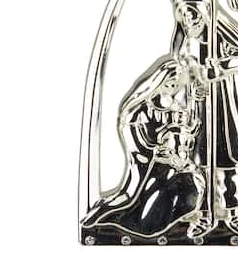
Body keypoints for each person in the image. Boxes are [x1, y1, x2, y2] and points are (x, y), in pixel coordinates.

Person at [170, 0, 238, 238]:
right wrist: (191, 84)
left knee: (227, 161)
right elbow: (179, 70)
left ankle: (232, 212)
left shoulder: (219, 31)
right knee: (199, 163)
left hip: (225, 105)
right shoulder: (185, 40)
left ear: (202, 10)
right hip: (198, 107)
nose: (188, 20)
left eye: (191, 13)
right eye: (182, 14)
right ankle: (203, 214)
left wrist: (220, 68)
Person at [81, 55, 205, 238]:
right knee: (130, 197)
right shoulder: (138, 111)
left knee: (191, 181)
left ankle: (175, 219)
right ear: (158, 81)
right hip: (147, 164)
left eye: (177, 84)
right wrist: (162, 150)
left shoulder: (175, 108)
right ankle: (106, 219)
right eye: (170, 83)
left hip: (172, 163)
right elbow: (139, 143)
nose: (174, 88)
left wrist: (194, 106)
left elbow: (188, 132)